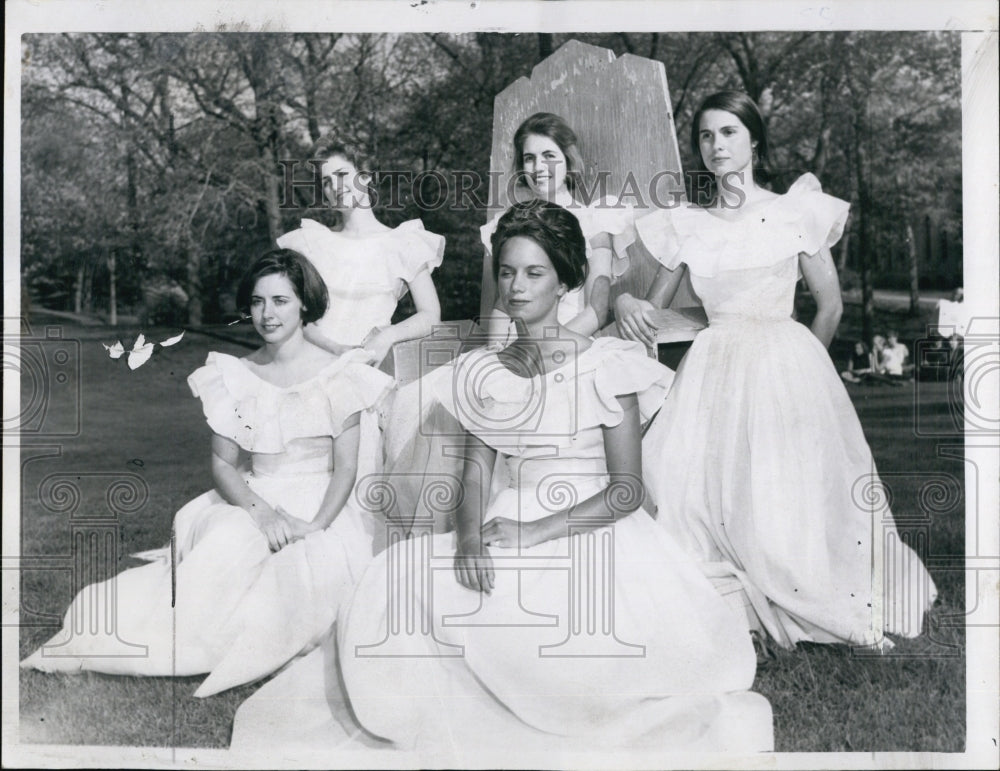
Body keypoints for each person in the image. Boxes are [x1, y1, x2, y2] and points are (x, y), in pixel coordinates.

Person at [227, 201, 773, 756]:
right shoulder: (484, 372)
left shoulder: (610, 365)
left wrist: (532, 532)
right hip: (502, 516)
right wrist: (467, 539)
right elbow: (475, 470)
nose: (515, 287)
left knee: (550, 636)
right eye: (507, 272)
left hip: (591, 527)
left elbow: (627, 490)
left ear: (565, 281)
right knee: (396, 575)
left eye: (534, 273)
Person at [615, 91, 937, 649]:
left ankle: (802, 584)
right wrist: (625, 304)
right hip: (714, 367)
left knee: (786, 486)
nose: (716, 145)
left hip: (784, 358)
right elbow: (653, 305)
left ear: (754, 141)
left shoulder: (795, 211)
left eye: (729, 133)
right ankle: (731, 599)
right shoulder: (686, 224)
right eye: (706, 136)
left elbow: (830, 305)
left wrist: (801, 369)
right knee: (699, 492)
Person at [22, 250, 394, 697]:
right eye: (257, 302)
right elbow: (223, 463)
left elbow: (347, 467)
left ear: (304, 305)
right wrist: (262, 513)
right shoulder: (234, 373)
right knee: (227, 548)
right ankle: (188, 641)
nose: (267, 313)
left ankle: (264, 640)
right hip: (252, 495)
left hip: (322, 502)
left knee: (309, 564)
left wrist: (314, 524)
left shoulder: (339, 374)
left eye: (280, 300)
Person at [277, 137, 445, 366]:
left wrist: (389, 335)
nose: (335, 187)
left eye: (342, 175)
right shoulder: (312, 242)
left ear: (365, 176)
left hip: (369, 367)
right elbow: (298, 316)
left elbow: (430, 316)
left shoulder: (402, 242)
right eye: (326, 181)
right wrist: (335, 349)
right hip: (314, 363)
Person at [481, 112, 637, 342]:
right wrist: (498, 351)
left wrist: (546, 348)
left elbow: (597, 309)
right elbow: (500, 308)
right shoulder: (512, 222)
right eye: (529, 158)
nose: (538, 167)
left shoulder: (595, 221)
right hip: (515, 347)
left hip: (570, 343)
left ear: (568, 159)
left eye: (549, 155)